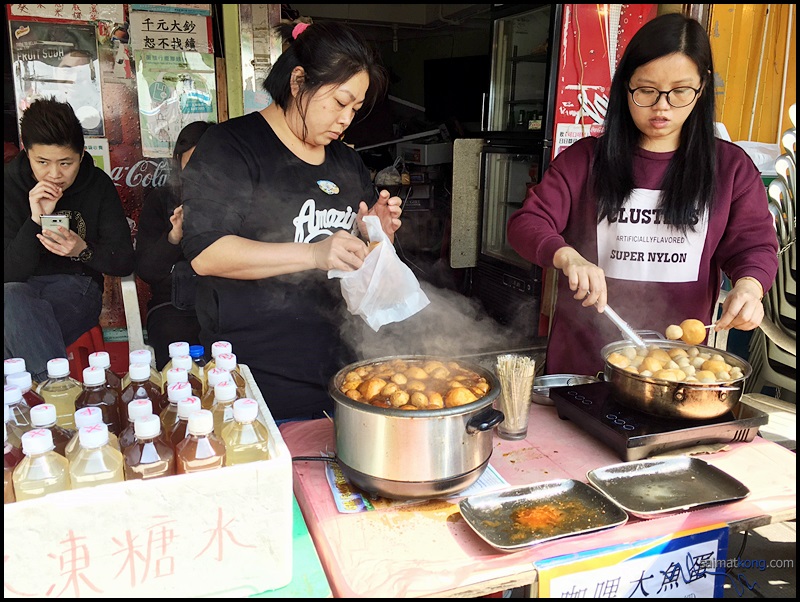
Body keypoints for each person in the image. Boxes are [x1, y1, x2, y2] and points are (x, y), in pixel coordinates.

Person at [506, 13, 779, 377]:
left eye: (680, 91)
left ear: (702, 87)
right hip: (582, 364)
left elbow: (753, 245)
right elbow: (528, 223)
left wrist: (749, 287)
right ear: (625, 87)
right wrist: (567, 257)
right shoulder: (585, 160)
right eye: (646, 90)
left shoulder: (730, 168)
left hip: (677, 368)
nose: (662, 106)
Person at [181, 22, 403, 421]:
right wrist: (315, 254)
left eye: (355, 108)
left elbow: (354, 261)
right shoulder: (231, 147)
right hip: (256, 384)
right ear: (299, 81)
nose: (346, 119)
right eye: (339, 102)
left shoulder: (347, 162)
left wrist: (376, 238)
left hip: (343, 374)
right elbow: (207, 254)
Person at [4, 97, 135, 382]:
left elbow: (124, 259)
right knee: (12, 297)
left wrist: (83, 250)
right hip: (17, 292)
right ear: (27, 153)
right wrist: (35, 221)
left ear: (81, 154)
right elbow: (9, 274)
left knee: (12, 320)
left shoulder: (97, 184)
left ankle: (43, 398)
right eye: (43, 162)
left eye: (66, 163)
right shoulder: (10, 185)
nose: (54, 174)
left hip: (78, 287)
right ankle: (57, 388)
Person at [135, 121, 213, 371]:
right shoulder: (161, 200)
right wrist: (174, 236)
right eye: (193, 164)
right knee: (175, 353)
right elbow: (147, 271)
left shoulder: (239, 200)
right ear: (178, 161)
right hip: (174, 306)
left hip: (226, 302)